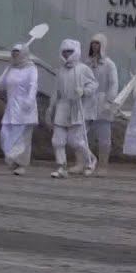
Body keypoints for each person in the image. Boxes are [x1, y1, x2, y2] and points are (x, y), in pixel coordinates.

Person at [46, 39, 98, 179]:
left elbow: (93, 85)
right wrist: (51, 107)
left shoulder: (83, 69)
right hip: (62, 106)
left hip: (76, 106)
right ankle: (61, 166)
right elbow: (56, 91)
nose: (66, 54)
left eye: (70, 51)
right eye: (64, 51)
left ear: (75, 52)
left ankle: (91, 160)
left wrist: (84, 91)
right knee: (57, 140)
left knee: (75, 140)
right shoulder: (60, 71)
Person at [0, 43, 38, 175]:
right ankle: (12, 159)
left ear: (23, 54)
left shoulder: (31, 68)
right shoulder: (10, 68)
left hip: (25, 107)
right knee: (5, 133)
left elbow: (33, 84)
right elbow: (2, 84)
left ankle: (21, 164)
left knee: (23, 137)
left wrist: (30, 99)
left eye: (17, 52)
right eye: (13, 52)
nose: (14, 54)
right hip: (11, 107)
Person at [83, 33, 120, 176]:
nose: (94, 46)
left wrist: (109, 101)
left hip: (102, 101)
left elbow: (113, 84)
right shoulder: (86, 63)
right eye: (93, 43)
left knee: (104, 136)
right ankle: (85, 162)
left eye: (97, 43)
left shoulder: (109, 64)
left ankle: (103, 165)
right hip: (88, 100)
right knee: (81, 134)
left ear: (102, 45)